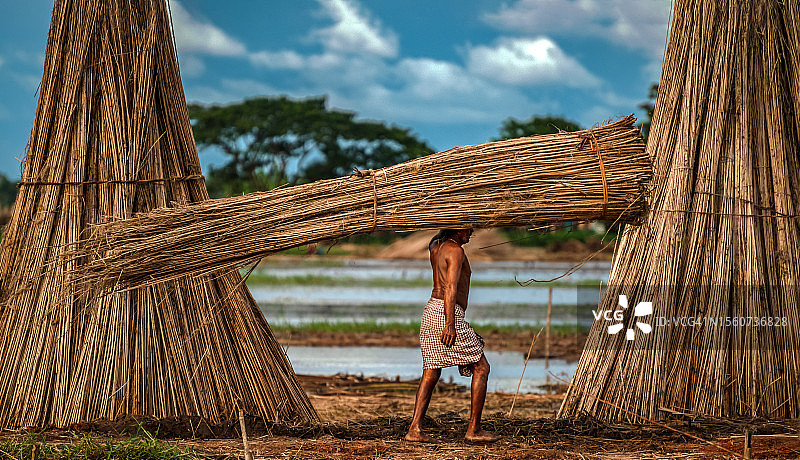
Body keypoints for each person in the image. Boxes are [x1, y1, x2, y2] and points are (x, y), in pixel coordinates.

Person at [405, 228, 501, 443]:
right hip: (446, 313)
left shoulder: (436, 247)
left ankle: (415, 429)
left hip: (431, 310)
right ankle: (474, 430)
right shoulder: (455, 250)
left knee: (431, 371)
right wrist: (450, 324)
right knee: (481, 367)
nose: (472, 232)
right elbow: (450, 287)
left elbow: (435, 241)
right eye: (468, 228)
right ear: (458, 229)